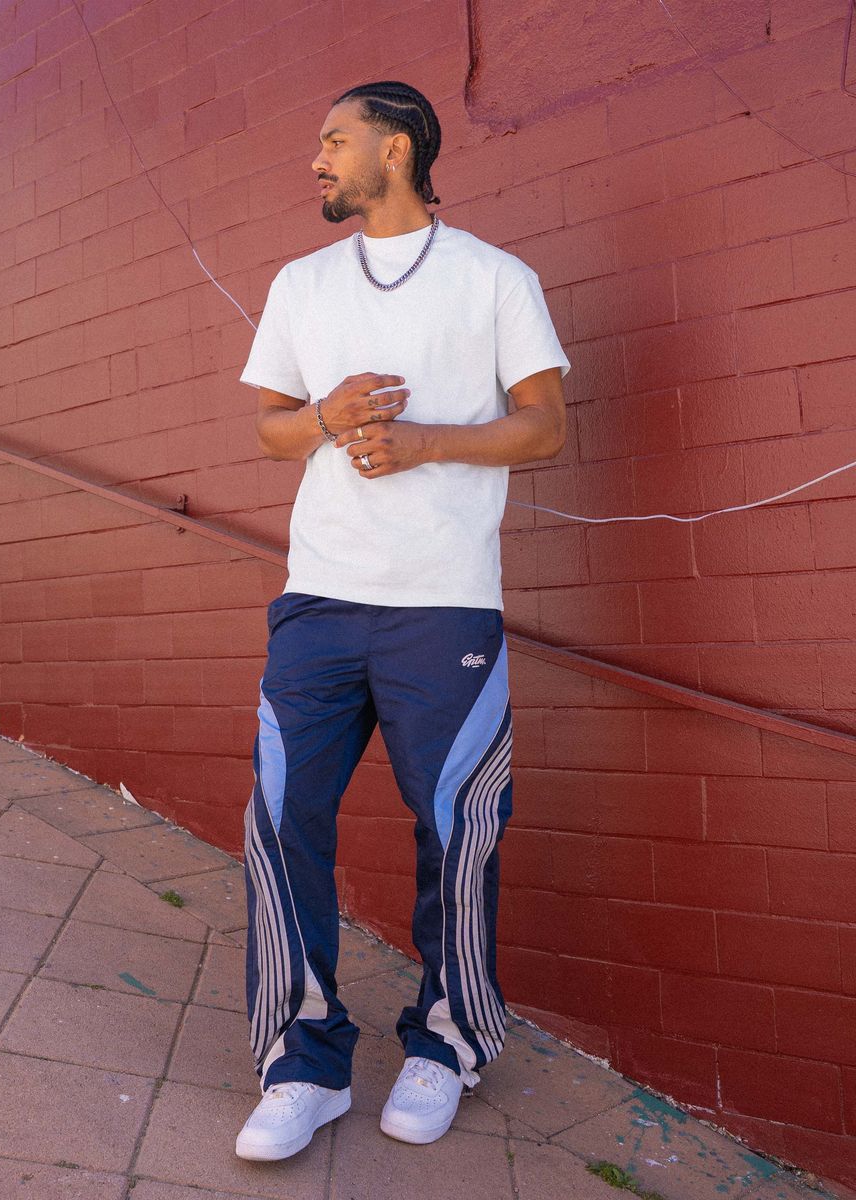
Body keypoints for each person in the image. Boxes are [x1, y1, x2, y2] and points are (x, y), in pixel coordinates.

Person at [233, 80, 571, 1161]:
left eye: (334, 139)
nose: (318, 159)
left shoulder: (493, 279)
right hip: (320, 599)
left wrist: (426, 443)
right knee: (283, 819)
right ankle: (302, 1060)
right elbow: (274, 432)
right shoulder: (301, 283)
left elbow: (545, 428)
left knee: (460, 829)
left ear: (399, 146)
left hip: (444, 603)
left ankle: (447, 1042)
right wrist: (326, 417)